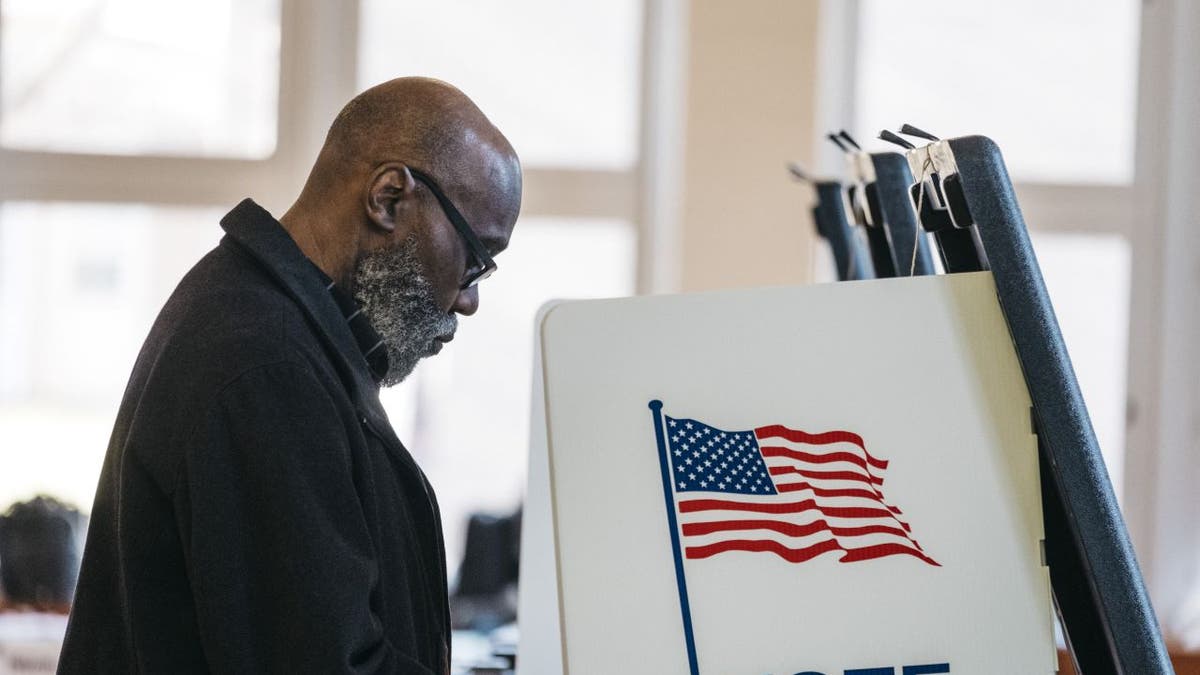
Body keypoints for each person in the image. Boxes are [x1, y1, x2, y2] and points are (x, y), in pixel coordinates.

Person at [58, 77, 522, 674]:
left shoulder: (269, 327)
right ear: (388, 198)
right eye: (474, 259)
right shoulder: (265, 365)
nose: (467, 302)